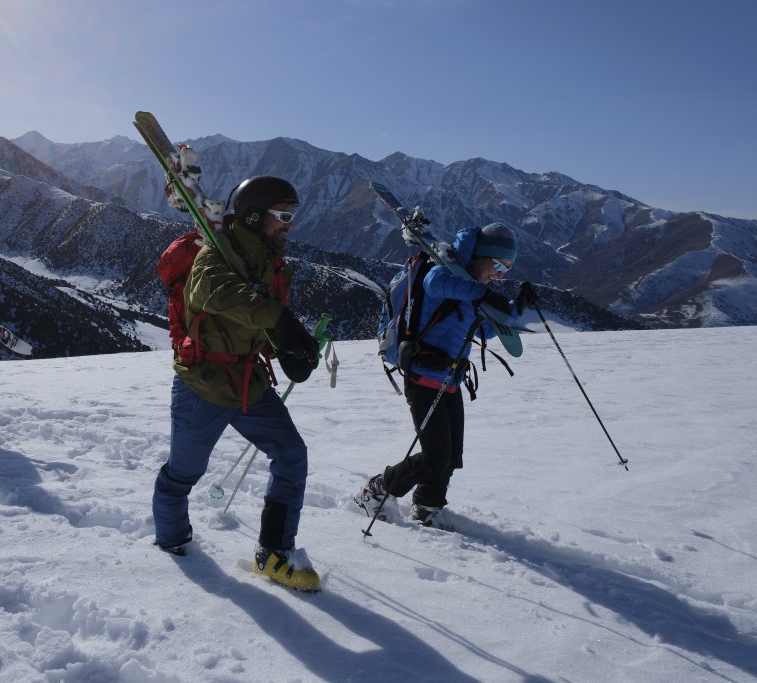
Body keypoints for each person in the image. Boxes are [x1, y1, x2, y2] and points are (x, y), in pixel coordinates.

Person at [152, 176, 323, 591]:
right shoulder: (213, 254)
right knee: (183, 474)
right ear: (254, 214)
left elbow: (257, 318)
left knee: (291, 453)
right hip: (203, 384)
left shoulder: (270, 261)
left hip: (248, 381)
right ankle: (172, 542)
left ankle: (274, 553)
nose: (289, 225)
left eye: (292, 216)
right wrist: (280, 322)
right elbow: (218, 292)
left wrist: (288, 348)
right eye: (283, 216)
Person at [356, 222, 539, 526]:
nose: (498, 273)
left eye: (505, 269)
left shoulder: (470, 289)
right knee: (435, 456)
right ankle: (377, 489)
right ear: (479, 255)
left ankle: (427, 507)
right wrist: (482, 295)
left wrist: (516, 307)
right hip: (423, 377)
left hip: (450, 379)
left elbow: (480, 329)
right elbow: (434, 284)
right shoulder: (444, 269)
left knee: (452, 456)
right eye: (496, 264)